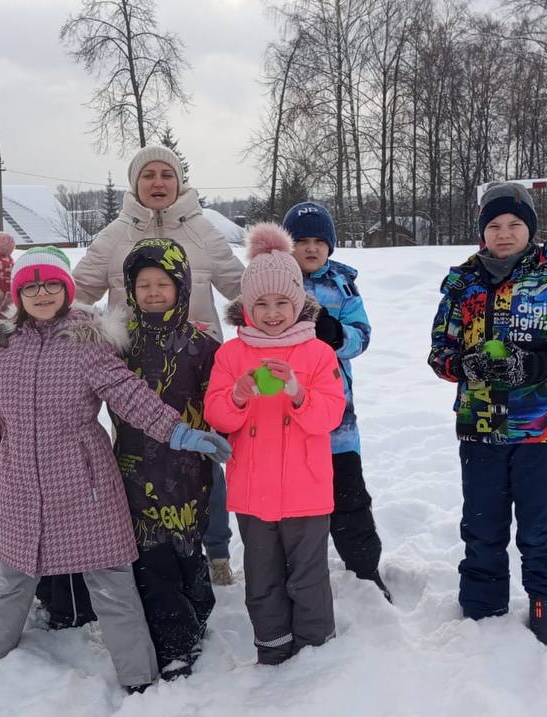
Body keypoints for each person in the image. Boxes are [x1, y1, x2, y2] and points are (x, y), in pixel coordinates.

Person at [0, 246, 231, 692]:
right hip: (21, 480)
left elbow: (128, 394)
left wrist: (179, 433)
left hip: (85, 480)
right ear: (18, 295)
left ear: (66, 289)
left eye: (51, 284)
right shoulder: (3, 344)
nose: (42, 294)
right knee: (13, 575)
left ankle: (138, 676)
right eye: (31, 287)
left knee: (112, 583)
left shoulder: (87, 340)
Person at [427, 182, 547, 644]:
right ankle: (482, 608)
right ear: (482, 232)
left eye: (514, 225)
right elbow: (439, 352)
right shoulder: (463, 284)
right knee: (481, 525)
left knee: (542, 528)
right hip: (480, 427)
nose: (503, 234)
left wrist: (536, 366)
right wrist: (464, 364)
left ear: (531, 230)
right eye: (494, 226)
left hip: (543, 432)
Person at [73, 144, 244, 584]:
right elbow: (76, 293)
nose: (158, 183)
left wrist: (284, 318)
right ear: (135, 184)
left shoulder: (203, 231)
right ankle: (141, 544)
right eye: (147, 175)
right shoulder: (115, 235)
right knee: (136, 457)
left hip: (197, 363)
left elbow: (242, 288)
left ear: (180, 182)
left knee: (202, 454)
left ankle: (215, 548)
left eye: (166, 175)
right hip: (133, 366)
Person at [204, 224, 347, 665]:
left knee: (307, 575)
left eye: (281, 303)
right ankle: (272, 646)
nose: (271, 313)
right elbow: (216, 416)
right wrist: (238, 396)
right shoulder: (231, 355)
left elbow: (330, 415)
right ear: (246, 307)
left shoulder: (318, 353)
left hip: (306, 490)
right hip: (253, 491)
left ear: (298, 303)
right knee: (262, 575)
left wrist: (297, 392)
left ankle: (315, 648)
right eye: (261, 304)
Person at [0, 233, 96, 627]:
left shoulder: (44, 320)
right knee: (24, 529)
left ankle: (71, 604)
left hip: (54, 448)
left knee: (61, 526)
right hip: (8, 447)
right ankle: (45, 596)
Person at [115, 238, 221, 680]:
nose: (153, 292)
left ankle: (198, 610)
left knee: (187, 549)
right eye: (143, 284)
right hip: (134, 469)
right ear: (130, 289)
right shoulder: (118, 342)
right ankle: (175, 643)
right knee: (152, 557)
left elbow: (220, 403)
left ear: (182, 287)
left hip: (189, 470)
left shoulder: (202, 346)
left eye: (163, 283)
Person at [282, 201, 390, 602]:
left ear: (330, 245)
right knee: (293, 503)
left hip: (337, 422)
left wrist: (337, 333)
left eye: (319, 241)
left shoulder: (343, 284)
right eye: (301, 241)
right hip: (287, 417)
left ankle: (365, 569)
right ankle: (294, 573)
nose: (310, 248)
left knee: (349, 499)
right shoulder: (274, 279)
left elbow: (362, 336)